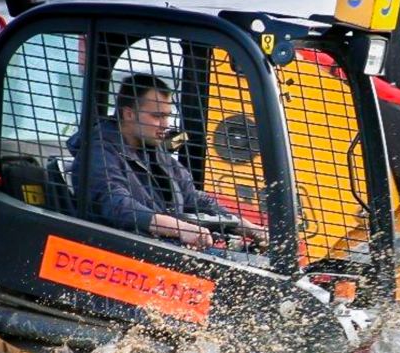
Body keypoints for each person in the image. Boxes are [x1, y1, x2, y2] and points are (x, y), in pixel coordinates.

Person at [69, 72, 265, 251]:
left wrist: (243, 226)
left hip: (163, 248)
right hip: (123, 253)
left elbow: (191, 197)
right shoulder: (98, 153)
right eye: (157, 116)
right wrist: (179, 228)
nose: (166, 125)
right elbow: (119, 206)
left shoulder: (153, 149)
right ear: (128, 114)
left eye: (167, 116)